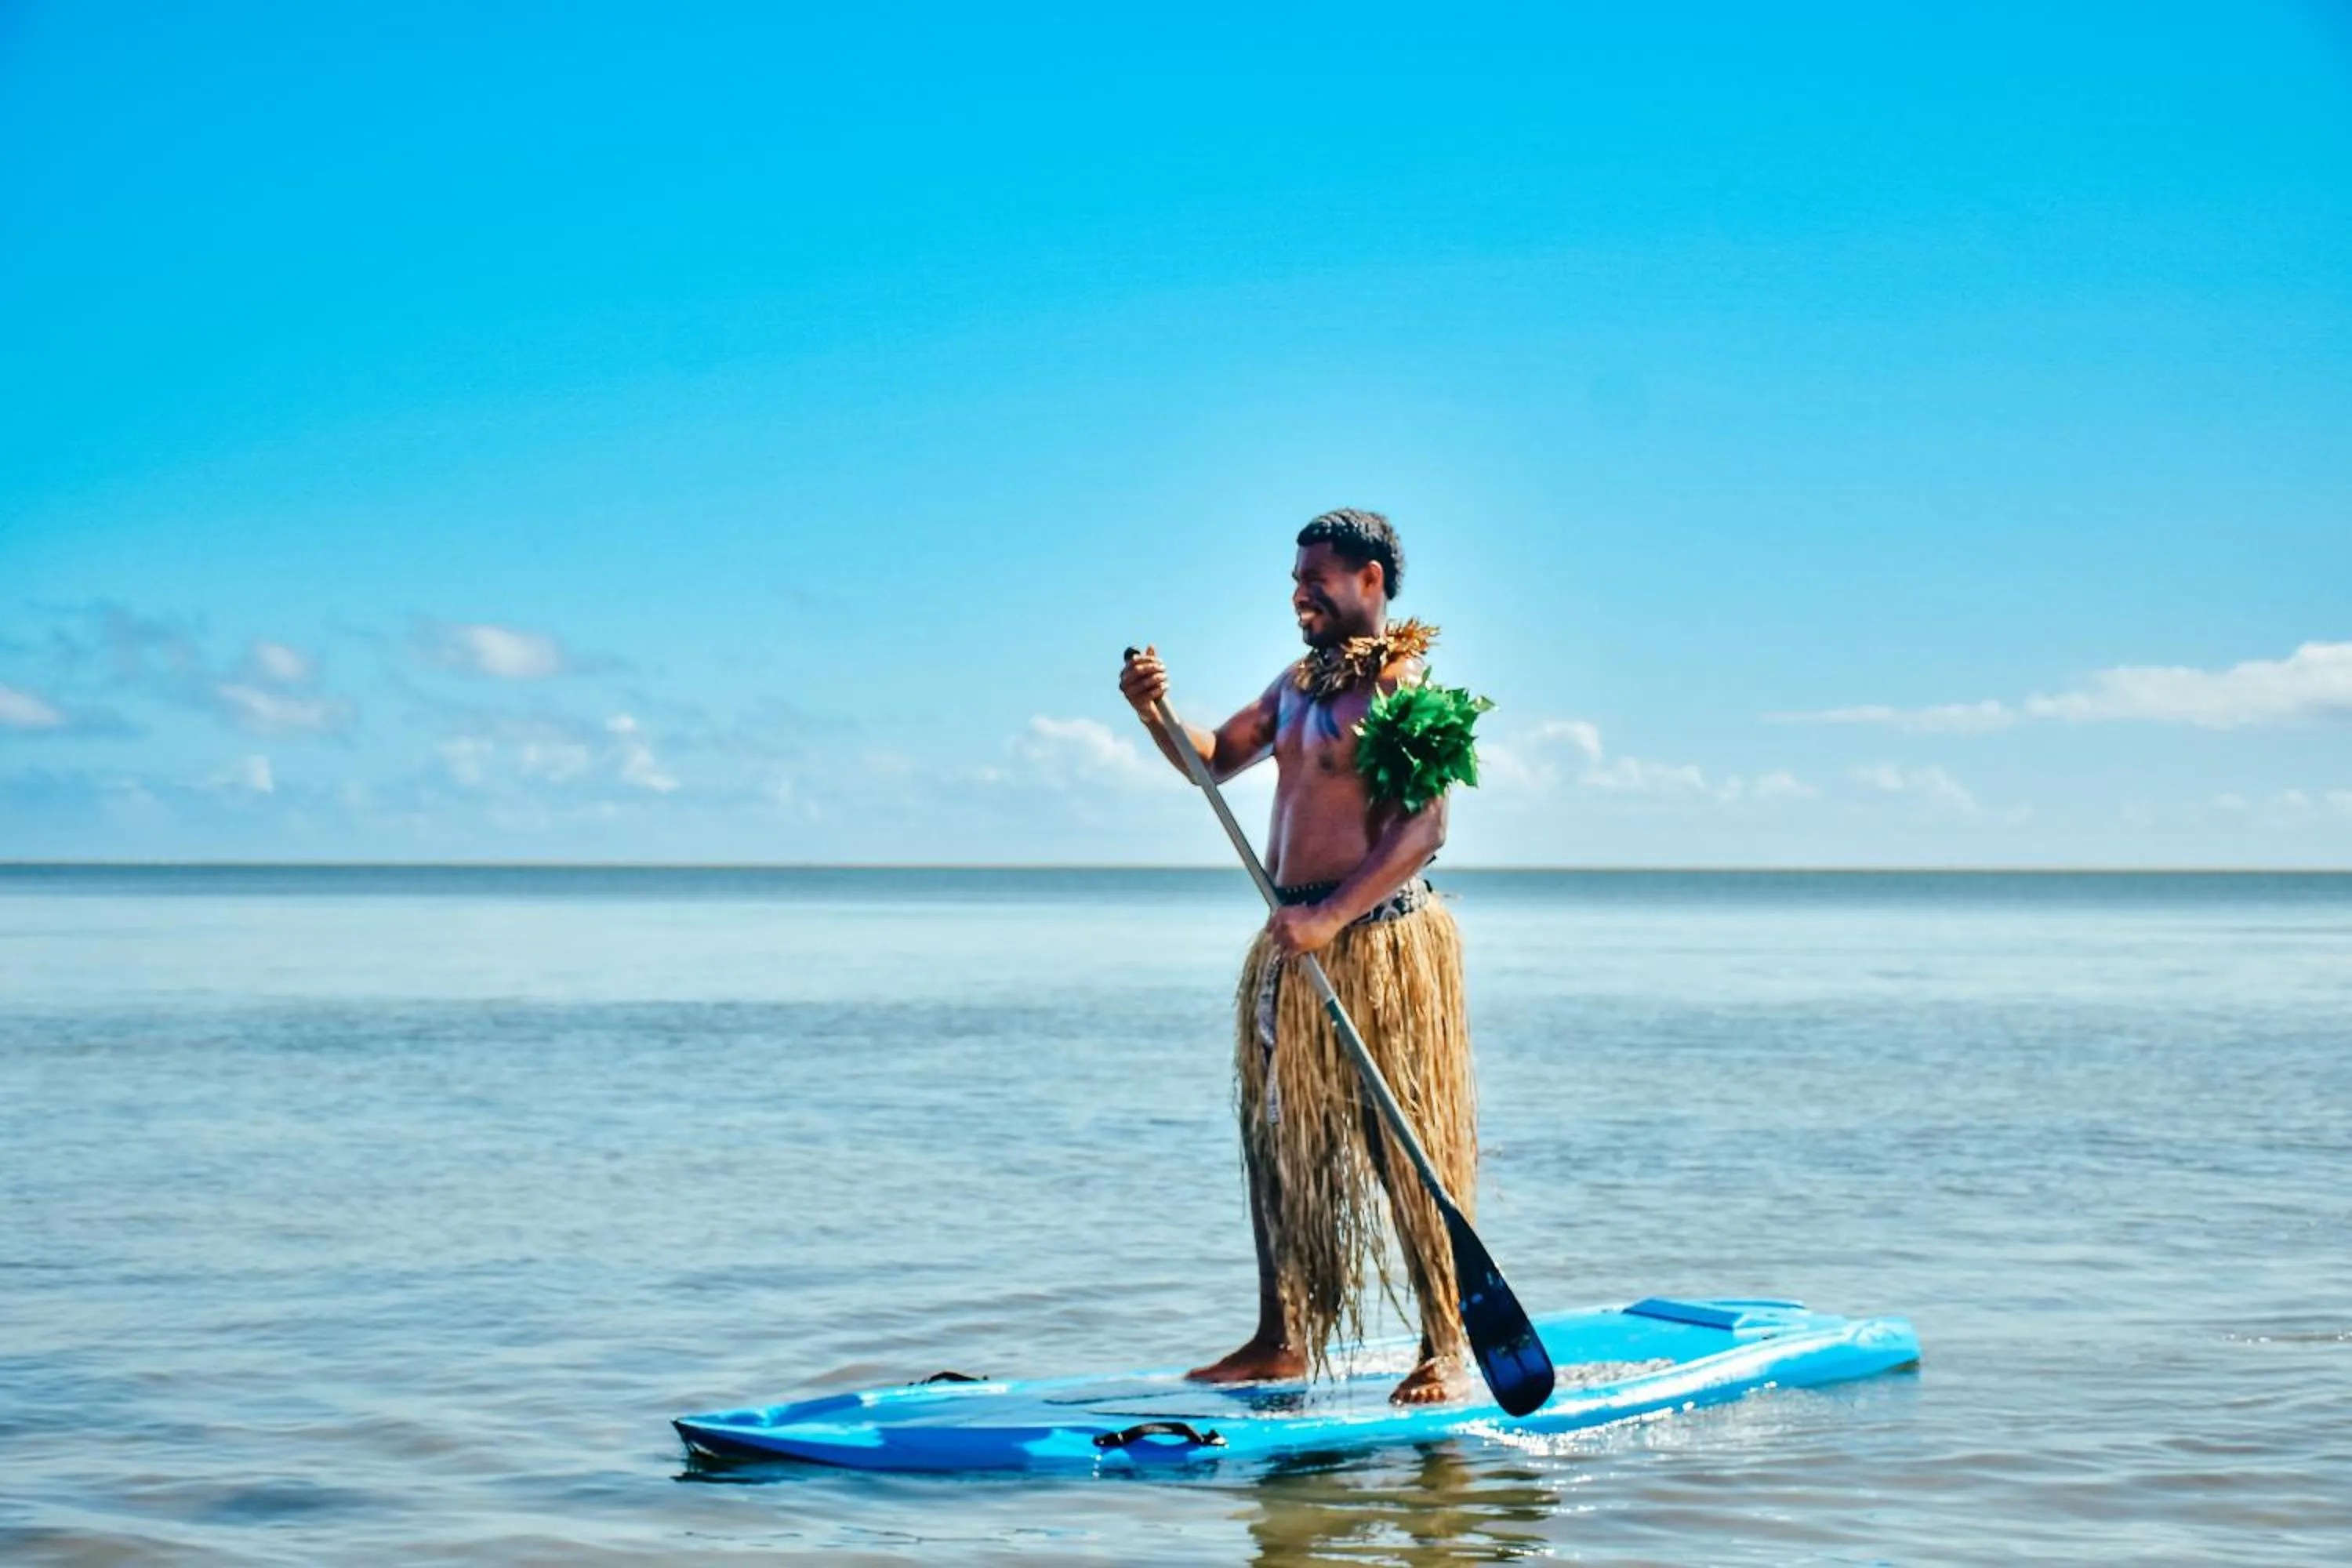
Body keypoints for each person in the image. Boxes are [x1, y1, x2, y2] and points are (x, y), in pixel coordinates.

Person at [1117, 507, 1478, 1405]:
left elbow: (1426, 828)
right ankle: (1282, 1336)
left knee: (1403, 1143)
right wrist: (1155, 710)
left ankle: (1444, 1342)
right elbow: (1210, 759)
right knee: (1278, 1140)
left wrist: (1334, 917)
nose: (1299, 593)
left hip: (1381, 942)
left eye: (1317, 578)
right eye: (1295, 580)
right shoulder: (1294, 686)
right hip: (1293, 944)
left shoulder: (1405, 688)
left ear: (1371, 581)